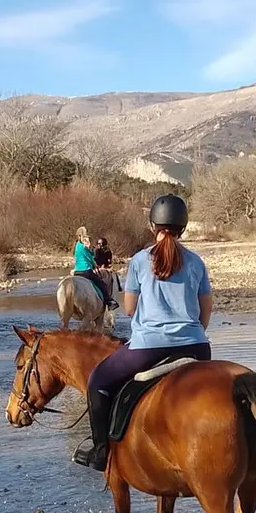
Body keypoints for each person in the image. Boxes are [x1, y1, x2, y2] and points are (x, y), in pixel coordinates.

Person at [72, 194, 213, 471]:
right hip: (197, 347)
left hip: (149, 346)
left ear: (152, 226)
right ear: (183, 228)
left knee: (97, 381)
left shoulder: (139, 261)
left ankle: (101, 452)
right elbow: (204, 312)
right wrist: (189, 333)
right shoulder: (196, 262)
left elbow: (128, 309)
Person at [72, 226, 118, 310]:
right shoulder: (83, 246)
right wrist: (89, 249)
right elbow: (90, 257)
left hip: (76, 271)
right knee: (102, 284)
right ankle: (109, 302)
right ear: (80, 237)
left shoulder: (77, 245)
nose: (86, 239)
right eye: (85, 237)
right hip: (85, 271)